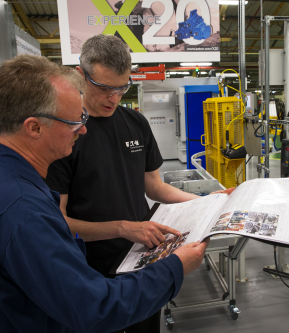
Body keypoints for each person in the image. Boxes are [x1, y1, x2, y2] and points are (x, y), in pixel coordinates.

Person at [0, 54, 209, 333]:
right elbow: (95, 308)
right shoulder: (23, 211)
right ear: (34, 127)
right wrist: (175, 267)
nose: (83, 129)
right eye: (73, 121)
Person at [45, 34, 232, 333]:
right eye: (105, 88)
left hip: (144, 259)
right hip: (92, 271)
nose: (114, 98)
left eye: (122, 88)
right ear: (80, 75)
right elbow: (58, 223)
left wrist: (211, 200)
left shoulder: (136, 123)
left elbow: (155, 188)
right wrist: (122, 227)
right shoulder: (66, 133)